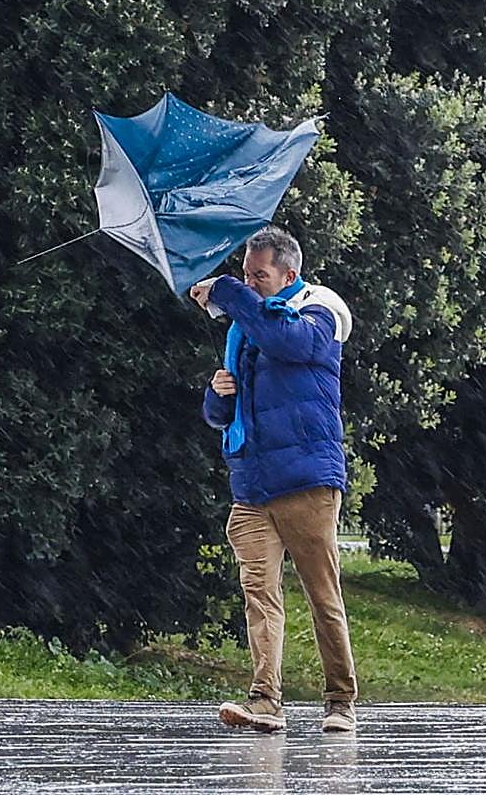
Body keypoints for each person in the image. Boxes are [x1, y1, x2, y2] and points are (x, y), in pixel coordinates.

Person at [189, 225, 358, 734]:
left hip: (306, 480)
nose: (252, 283)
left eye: (259, 275)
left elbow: (285, 340)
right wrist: (219, 395)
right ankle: (265, 700)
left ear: (290, 273)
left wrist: (223, 290)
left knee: (321, 594)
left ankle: (340, 702)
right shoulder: (245, 332)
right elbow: (221, 416)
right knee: (259, 594)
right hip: (253, 484)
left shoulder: (320, 313)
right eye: (245, 274)